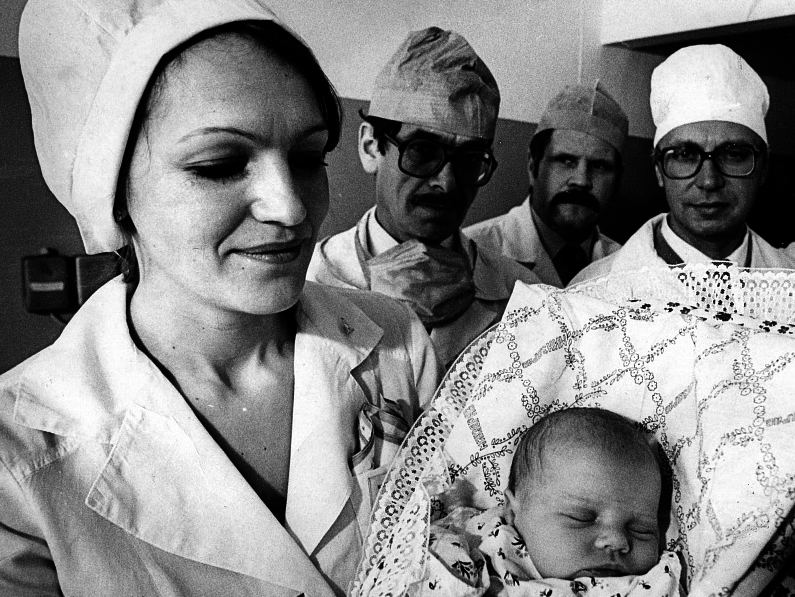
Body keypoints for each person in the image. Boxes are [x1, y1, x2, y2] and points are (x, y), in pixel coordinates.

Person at [0, 1, 442, 595]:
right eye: (219, 165)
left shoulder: (398, 344)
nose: (290, 208)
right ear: (113, 193)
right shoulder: (19, 453)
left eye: (308, 159)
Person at [307, 27, 540, 369]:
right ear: (371, 147)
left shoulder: (524, 296)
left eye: (469, 159)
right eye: (422, 151)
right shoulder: (311, 281)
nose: (446, 182)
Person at [572, 45, 795, 285]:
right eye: (685, 155)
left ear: (763, 167)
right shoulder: (593, 289)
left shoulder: (789, 277)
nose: (709, 181)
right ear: (658, 169)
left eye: (733, 154)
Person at [418, 408, 681, 596]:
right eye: (581, 518)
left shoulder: (658, 580)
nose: (617, 540)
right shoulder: (482, 544)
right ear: (513, 513)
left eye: (642, 530)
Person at [466, 82, 626, 287]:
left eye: (600, 166)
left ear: (617, 181)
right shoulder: (472, 254)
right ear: (533, 166)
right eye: (565, 161)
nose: (581, 181)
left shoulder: (630, 266)